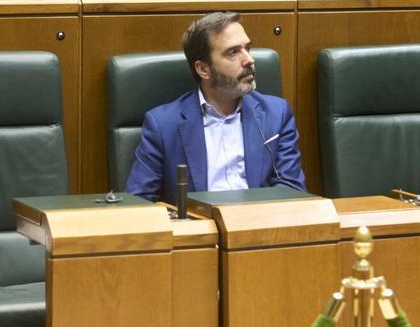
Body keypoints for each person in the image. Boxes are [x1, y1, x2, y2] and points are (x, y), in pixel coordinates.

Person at [126, 12, 305, 202]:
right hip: (198, 228)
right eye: (233, 52)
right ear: (203, 69)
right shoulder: (163, 125)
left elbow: (292, 189)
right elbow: (139, 201)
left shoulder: (276, 114)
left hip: (259, 225)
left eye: (248, 48)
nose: (249, 60)